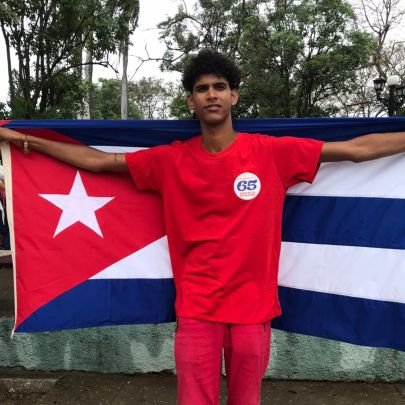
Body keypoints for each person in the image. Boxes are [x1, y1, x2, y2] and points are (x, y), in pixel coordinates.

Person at [1, 49, 405, 405]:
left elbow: (355, 150)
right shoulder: (170, 160)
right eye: (201, 88)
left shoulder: (271, 153)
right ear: (191, 101)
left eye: (219, 86)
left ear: (234, 95)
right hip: (196, 310)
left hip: (253, 310)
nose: (211, 94)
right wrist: (26, 141)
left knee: (247, 400)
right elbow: (100, 162)